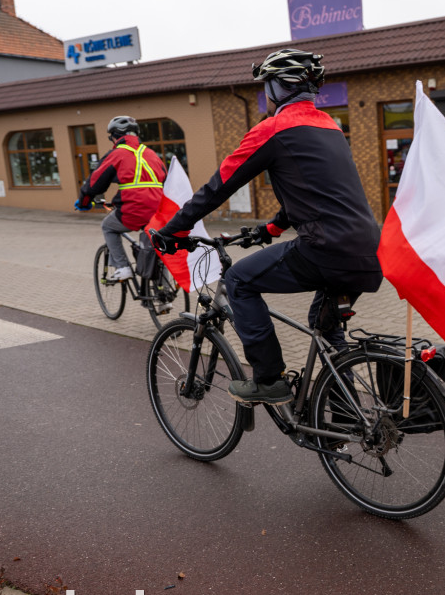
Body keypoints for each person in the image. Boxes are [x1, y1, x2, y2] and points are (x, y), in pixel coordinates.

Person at [152, 49, 382, 406]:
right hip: (368, 248)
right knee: (327, 328)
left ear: (278, 87)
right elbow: (314, 191)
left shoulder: (274, 128)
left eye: (266, 86)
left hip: (324, 248)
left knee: (238, 280)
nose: (265, 94)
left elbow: (219, 187)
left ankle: (269, 379)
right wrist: (272, 229)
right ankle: (347, 416)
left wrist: (172, 231)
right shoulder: (330, 127)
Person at [75, 116, 167, 282]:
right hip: (159, 209)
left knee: (108, 226)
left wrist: (84, 202)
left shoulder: (117, 154)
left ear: (115, 136)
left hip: (133, 209)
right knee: (154, 245)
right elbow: (167, 180)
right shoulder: (152, 154)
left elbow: (95, 183)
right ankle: (163, 295)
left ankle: (123, 267)